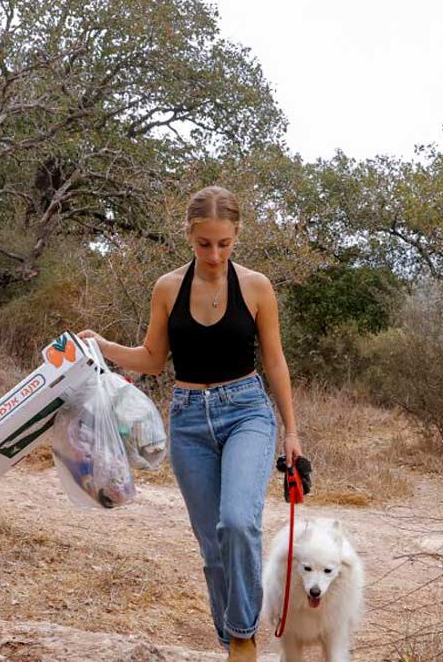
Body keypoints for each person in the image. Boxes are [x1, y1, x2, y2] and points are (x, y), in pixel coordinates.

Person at [79, 185, 302, 662]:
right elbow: (153, 358)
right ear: (189, 236)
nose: (215, 254)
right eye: (205, 244)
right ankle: (231, 640)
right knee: (213, 545)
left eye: (225, 244)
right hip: (187, 419)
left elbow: (277, 362)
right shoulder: (166, 288)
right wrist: (100, 344)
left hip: (247, 412)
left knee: (238, 522)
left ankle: (242, 639)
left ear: (237, 236)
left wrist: (292, 431)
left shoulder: (257, 287)